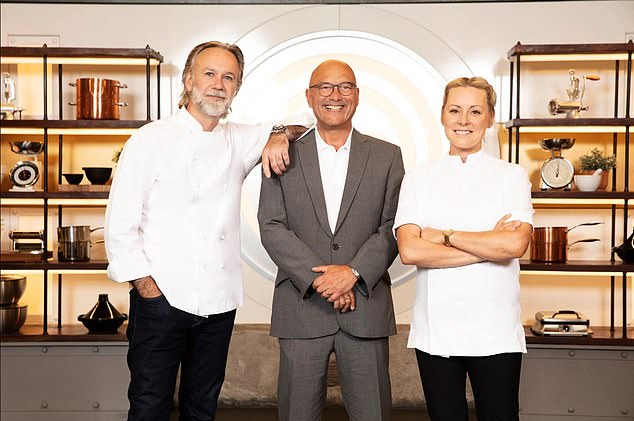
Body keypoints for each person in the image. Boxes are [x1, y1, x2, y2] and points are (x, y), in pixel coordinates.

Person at [104, 41, 310, 421]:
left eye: (228, 77)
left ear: (236, 88)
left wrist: (278, 133)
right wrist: (149, 292)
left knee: (202, 411)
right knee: (149, 408)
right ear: (188, 80)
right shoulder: (150, 139)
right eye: (209, 74)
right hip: (161, 302)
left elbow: (306, 123)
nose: (218, 84)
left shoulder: (239, 137)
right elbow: (119, 228)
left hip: (218, 305)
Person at [258, 59, 405, 421]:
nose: (334, 95)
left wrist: (353, 272)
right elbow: (271, 226)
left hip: (365, 308)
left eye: (345, 87)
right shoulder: (281, 152)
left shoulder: (388, 155)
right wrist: (324, 280)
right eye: (324, 87)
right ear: (309, 96)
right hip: (301, 307)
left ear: (357, 95)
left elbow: (393, 226)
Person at [394, 76, 533, 421]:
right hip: (437, 330)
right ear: (442, 116)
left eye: (475, 111)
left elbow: (515, 244)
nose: (464, 120)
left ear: (489, 119)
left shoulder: (512, 176)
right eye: (455, 110)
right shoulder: (418, 178)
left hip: (496, 330)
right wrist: (488, 244)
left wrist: (442, 235)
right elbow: (410, 251)